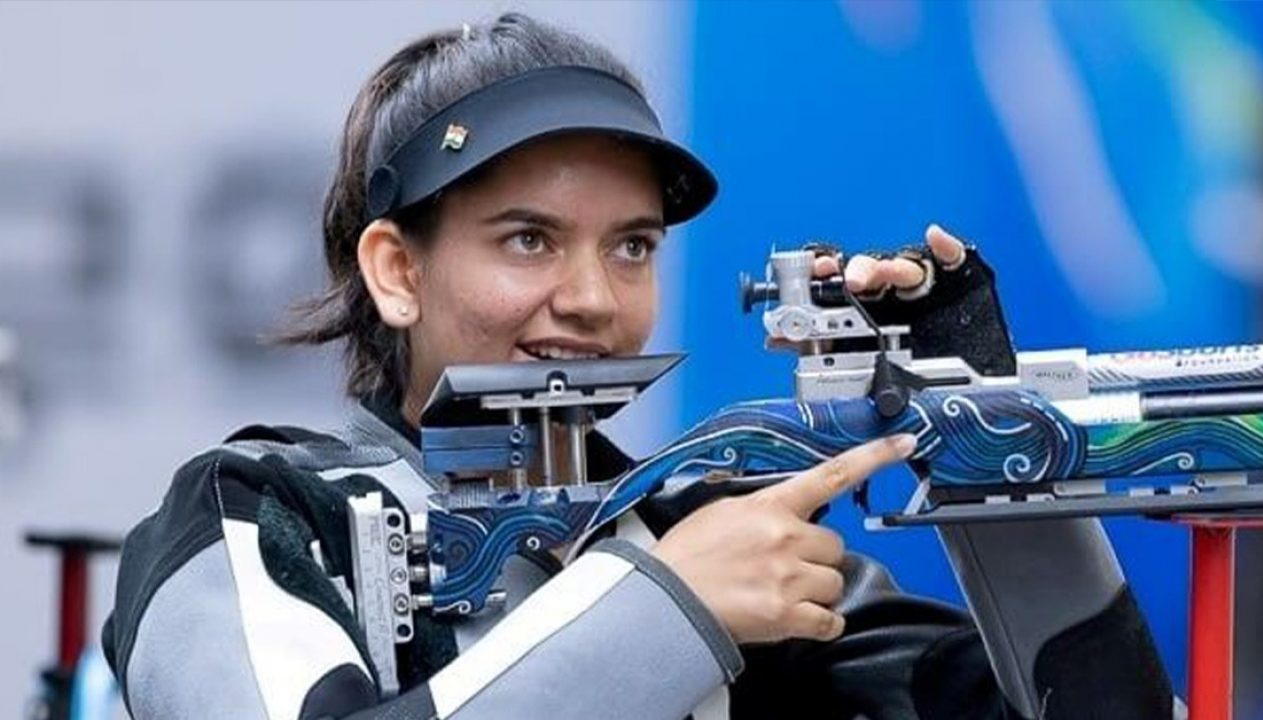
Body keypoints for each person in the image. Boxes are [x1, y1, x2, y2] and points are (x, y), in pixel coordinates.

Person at [102, 14, 1178, 720]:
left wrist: (981, 427)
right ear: (395, 270)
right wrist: (669, 608)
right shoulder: (249, 513)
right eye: (528, 239)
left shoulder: (706, 531)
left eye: (630, 247)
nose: (591, 296)